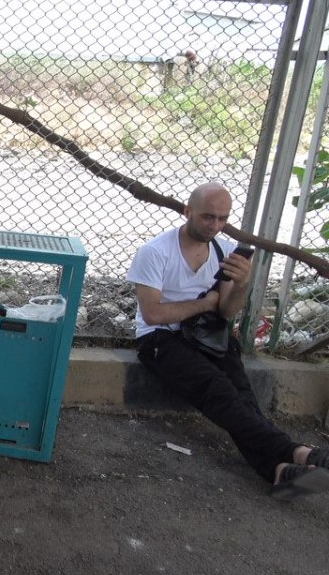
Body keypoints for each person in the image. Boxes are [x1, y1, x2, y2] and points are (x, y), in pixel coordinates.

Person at [129, 182, 329, 499]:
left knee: (242, 397)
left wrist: (241, 284)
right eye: (208, 217)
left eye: (222, 218)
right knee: (218, 389)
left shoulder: (223, 250)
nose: (215, 225)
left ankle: (277, 470)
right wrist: (205, 303)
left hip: (207, 335)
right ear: (188, 211)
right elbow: (152, 314)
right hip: (160, 339)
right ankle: (296, 452)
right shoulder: (155, 252)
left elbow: (226, 310)